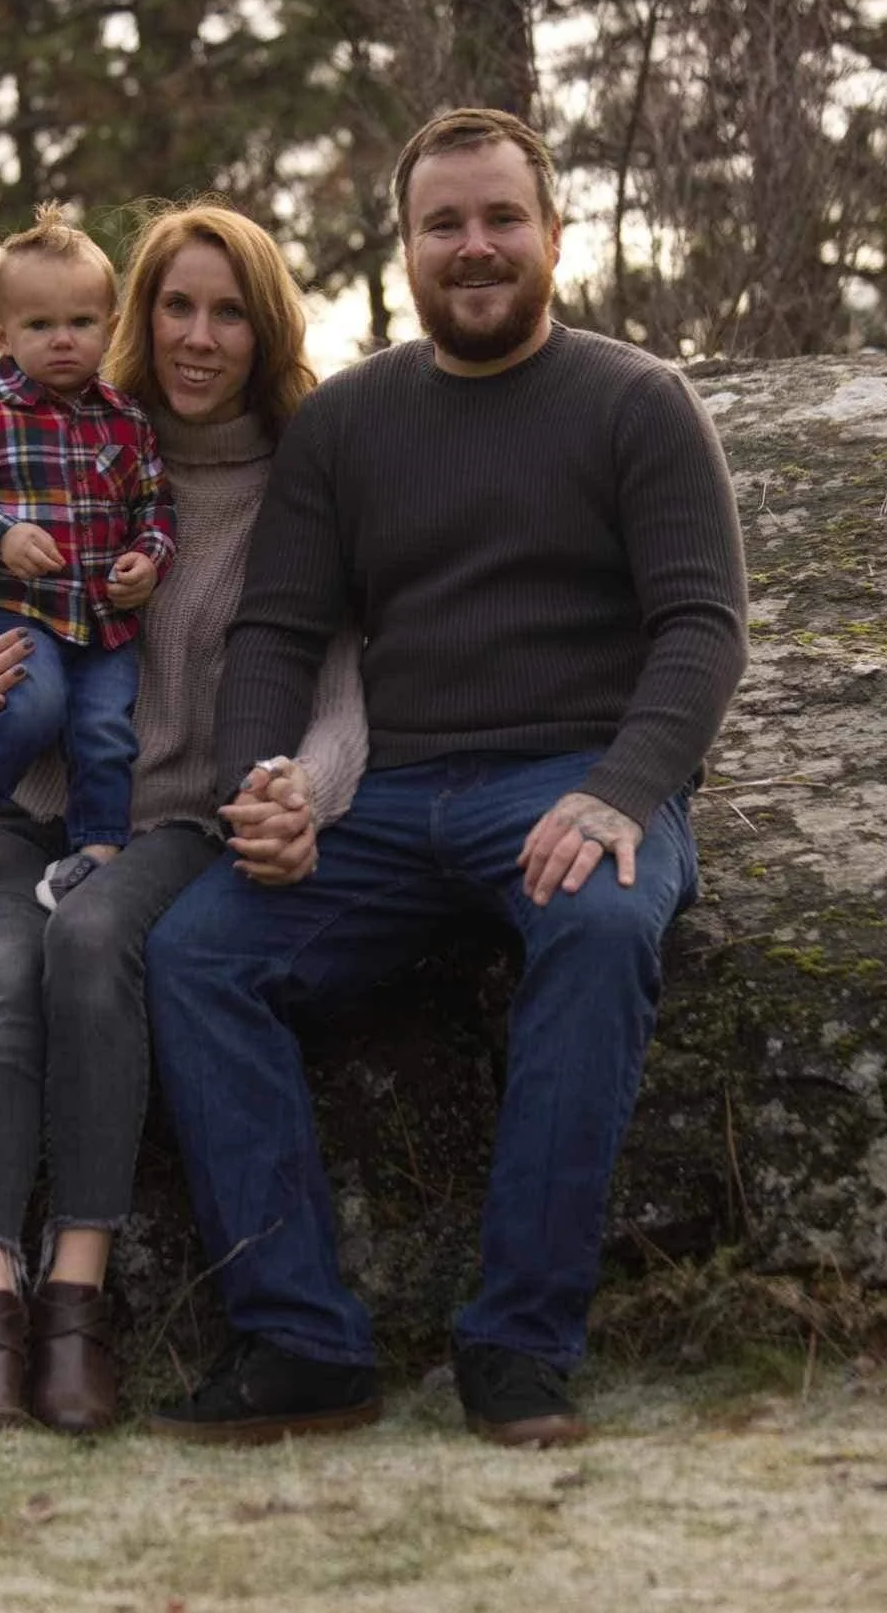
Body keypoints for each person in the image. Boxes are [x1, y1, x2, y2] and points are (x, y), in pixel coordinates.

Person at [144, 107, 749, 1449]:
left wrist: (623, 790)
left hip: (575, 783)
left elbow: (702, 625)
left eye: (500, 220)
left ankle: (519, 1348)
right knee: (195, 954)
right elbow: (280, 632)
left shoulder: (636, 402)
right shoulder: (349, 425)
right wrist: (266, 786)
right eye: (444, 225)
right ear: (405, 247)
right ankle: (302, 1345)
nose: (473, 248)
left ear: (550, 232)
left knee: (594, 931)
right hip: (391, 802)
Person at [0, 203, 367, 1434]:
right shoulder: (72, 434)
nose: (199, 334)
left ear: (267, 326)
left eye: (230, 310)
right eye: (177, 304)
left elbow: (341, 689)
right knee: (5, 972)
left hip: (168, 820)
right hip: (24, 808)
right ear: (138, 317)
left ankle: (77, 1305)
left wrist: (306, 791)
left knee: (86, 940)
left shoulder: (305, 484)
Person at [0, 202, 177, 908]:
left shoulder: (126, 421)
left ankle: (95, 849)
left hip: (101, 619)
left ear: (111, 326)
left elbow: (154, 506)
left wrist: (148, 560)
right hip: (14, 605)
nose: (62, 340)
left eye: (80, 322)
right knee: (34, 705)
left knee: (103, 728)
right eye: (39, 325)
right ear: (1, 335)